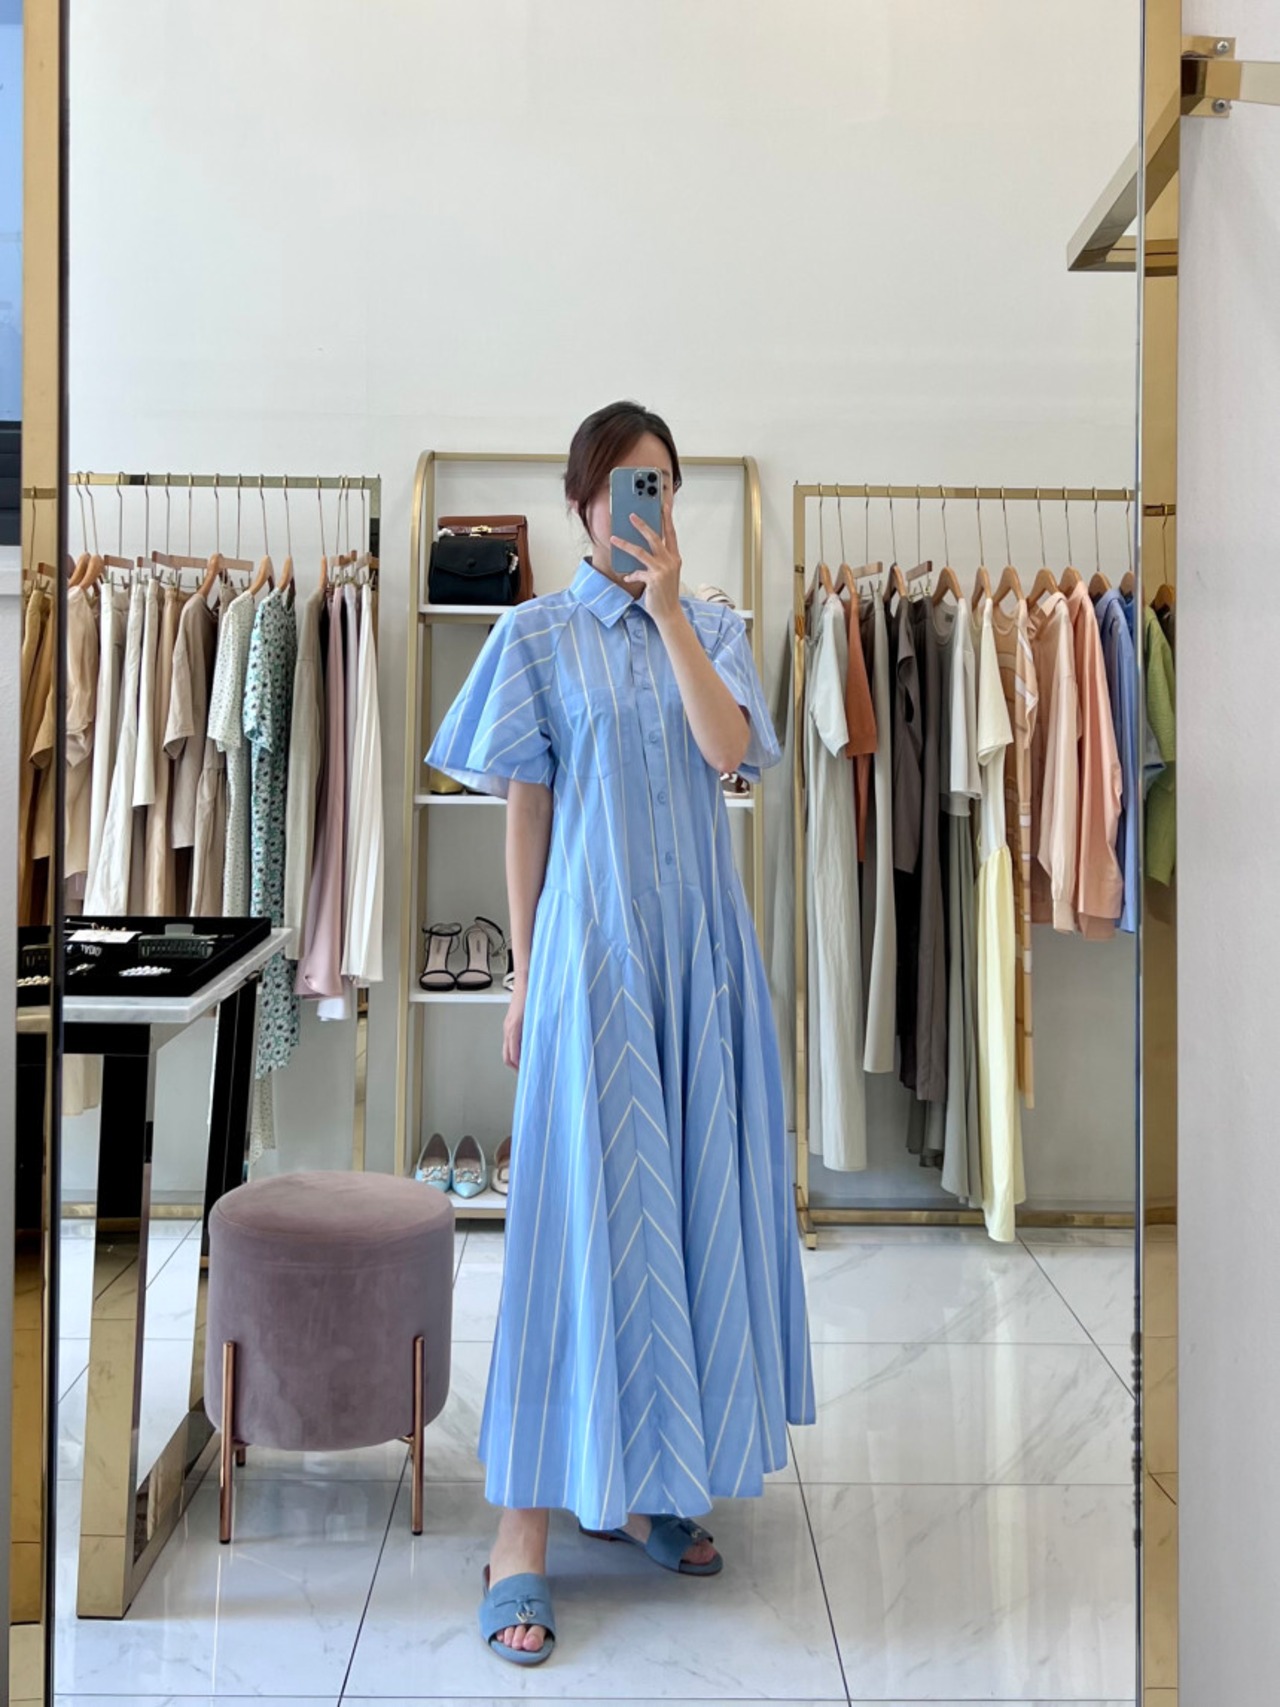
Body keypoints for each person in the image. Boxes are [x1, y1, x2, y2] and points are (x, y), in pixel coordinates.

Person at [427, 400, 813, 1666]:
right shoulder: (534, 635)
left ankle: (647, 1482)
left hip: (700, 964)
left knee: (685, 1216)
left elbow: (730, 754)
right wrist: (522, 978)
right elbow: (525, 814)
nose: (645, 506)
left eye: (662, 484)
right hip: (590, 963)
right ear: (581, 502)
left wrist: (670, 615)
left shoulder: (716, 629)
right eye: (623, 486)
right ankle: (519, 1534)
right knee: (572, 1227)